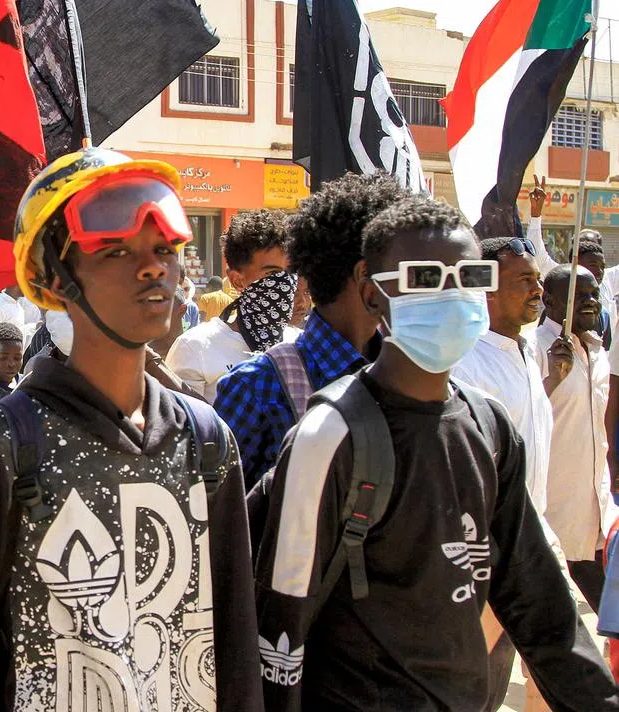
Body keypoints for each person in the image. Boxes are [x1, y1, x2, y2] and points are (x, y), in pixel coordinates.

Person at [0, 147, 262, 710]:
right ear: (54, 278)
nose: (154, 269)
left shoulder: (207, 441)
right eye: (115, 250)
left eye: (165, 249)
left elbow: (237, 648)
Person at [255, 195, 618, 712]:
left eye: (470, 277)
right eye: (427, 278)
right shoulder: (329, 437)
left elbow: (541, 607)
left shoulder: (489, 427)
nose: (454, 293)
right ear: (372, 291)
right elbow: (280, 630)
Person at [216, 173, 391, 487]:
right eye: (406, 270)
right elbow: (222, 516)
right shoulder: (258, 385)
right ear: (367, 277)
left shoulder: (403, 376)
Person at [452, 237, 562, 711]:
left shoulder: (526, 351)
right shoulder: (467, 361)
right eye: (524, 280)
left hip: (531, 545)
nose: (537, 289)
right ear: (487, 289)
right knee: (475, 688)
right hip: (488, 559)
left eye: (537, 280)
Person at [535, 264, 617, 615]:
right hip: (554, 510)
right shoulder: (534, 349)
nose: (591, 302)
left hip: (597, 506)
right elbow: (522, 417)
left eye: (594, 293)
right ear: (549, 300)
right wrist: (551, 378)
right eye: (579, 295)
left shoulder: (597, 350)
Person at [165, 211, 290, 403]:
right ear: (237, 281)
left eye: (291, 272)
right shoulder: (195, 348)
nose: (286, 283)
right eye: (273, 273)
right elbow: (189, 426)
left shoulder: (299, 344)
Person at [528, 176, 614, 348]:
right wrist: (536, 215)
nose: (597, 272)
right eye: (592, 265)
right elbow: (537, 255)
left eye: (601, 266)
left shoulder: (609, 282)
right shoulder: (563, 278)